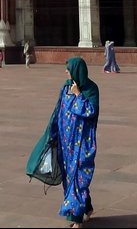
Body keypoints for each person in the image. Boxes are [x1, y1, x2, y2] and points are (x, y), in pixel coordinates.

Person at [49, 57, 99, 228]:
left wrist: (78, 95)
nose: (66, 72)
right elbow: (59, 110)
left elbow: (91, 112)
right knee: (70, 177)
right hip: (65, 141)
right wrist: (52, 132)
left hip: (82, 143)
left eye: (69, 69)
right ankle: (87, 207)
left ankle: (75, 219)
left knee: (78, 176)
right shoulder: (66, 87)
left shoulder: (91, 90)